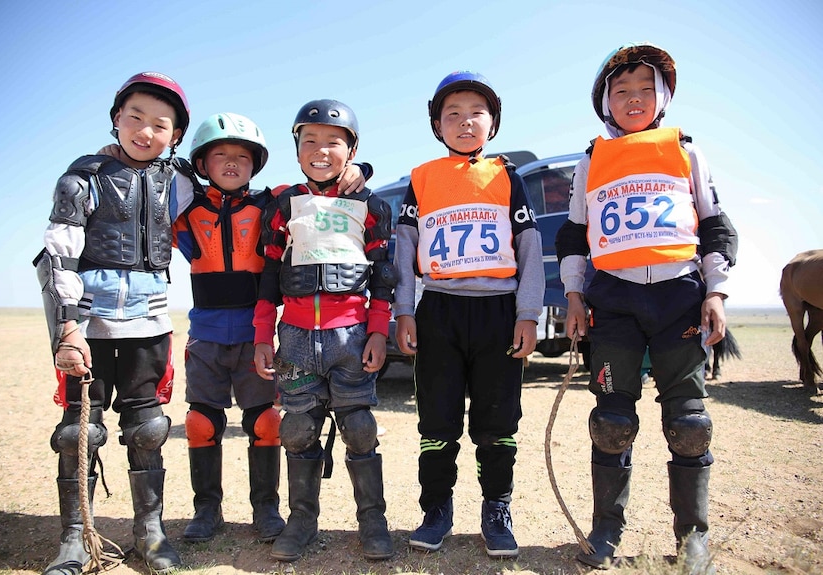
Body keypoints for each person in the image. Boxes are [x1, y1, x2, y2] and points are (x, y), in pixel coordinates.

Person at [555, 43, 738, 574]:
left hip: (679, 296)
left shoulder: (685, 149)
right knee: (611, 421)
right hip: (614, 300)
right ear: (605, 101)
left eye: (644, 89)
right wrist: (572, 294)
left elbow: (715, 225)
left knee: (689, 423)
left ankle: (692, 538)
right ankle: (606, 530)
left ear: (663, 97)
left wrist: (716, 292)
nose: (633, 99)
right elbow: (573, 233)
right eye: (621, 90)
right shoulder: (593, 156)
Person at [174, 112, 369, 544]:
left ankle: (266, 509)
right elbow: (152, 185)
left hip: (255, 333)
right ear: (202, 164)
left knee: (265, 422)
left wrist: (360, 170)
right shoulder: (186, 214)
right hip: (205, 333)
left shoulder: (273, 201)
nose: (230, 163)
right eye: (219, 155)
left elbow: (323, 187)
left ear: (256, 163)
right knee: (200, 422)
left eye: (241, 156)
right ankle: (207, 509)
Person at [34, 71, 196, 574]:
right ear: (116, 119)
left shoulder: (182, 181)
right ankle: (76, 538)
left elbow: (230, 181)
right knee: (77, 433)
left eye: (160, 125)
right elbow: (57, 255)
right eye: (136, 118)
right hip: (89, 324)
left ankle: (151, 534)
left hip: (149, 322)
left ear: (174, 136)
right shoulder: (81, 179)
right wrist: (65, 329)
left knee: (147, 429)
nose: (145, 131)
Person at [392, 71, 545, 558]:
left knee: (498, 420)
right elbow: (404, 248)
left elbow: (530, 248)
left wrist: (527, 314)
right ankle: (436, 510)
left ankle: (496, 509)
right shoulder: (422, 178)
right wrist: (403, 311)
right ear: (437, 125)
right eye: (452, 115)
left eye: (475, 113)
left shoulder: (507, 177)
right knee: (436, 420)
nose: (464, 122)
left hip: (498, 311)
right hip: (439, 308)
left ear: (492, 124)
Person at [253, 99, 397, 562]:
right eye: (308, 141)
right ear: (296, 150)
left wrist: (378, 332)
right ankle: (301, 522)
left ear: (351, 150)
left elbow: (384, 276)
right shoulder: (281, 205)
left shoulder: (370, 206)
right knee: (296, 430)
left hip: (351, 337)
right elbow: (267, 276)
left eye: (333, 141)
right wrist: (262, 335)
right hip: (295, 337)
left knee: (359, 427)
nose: (320, 150)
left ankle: (373, 521)